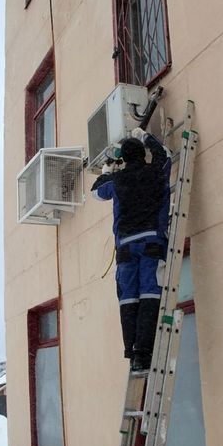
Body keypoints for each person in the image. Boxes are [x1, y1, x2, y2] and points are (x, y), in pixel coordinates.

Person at [91, 129, 171, 371]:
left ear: (124, 159)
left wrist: (108, 172)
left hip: (126, 246)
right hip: (150, 242)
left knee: (128, 298)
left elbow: (96, 191)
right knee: (150, 293)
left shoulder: (117, 181)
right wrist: (145, 135)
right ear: (142, 155)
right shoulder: (155, 171)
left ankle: (132, 350)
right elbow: (165, 156)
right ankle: (144, 352)